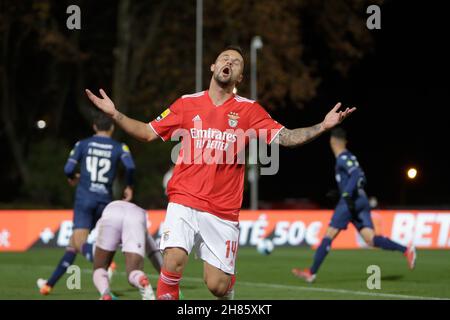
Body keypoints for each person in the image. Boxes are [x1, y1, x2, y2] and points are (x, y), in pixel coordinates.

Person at [85, 45, 355, 299]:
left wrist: (321, 126)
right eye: (225, 58)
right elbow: (146, 132)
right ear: (213, 66)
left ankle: (227, 284)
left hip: (223, 209)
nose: (230, 62)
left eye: (236, 62)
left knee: (217, 286)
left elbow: (286, 137)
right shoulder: (186, 104)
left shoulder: (250, 110)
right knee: (173, 262)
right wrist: (115, 114)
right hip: (184, 199)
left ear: (240, 76)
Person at [292, 128, 416, 283]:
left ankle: (312, 273)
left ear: (332, 141)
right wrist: (341, 191)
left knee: (329, 234)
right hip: (360, 199)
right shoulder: (349, 157)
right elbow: (361, 177)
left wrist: (346, 194)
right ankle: (406, 250)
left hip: (350, 201)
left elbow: (356, 174)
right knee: (370, 239)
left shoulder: (343, 157)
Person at [37, 113, 136, 295]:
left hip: (85, 198)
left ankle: (99, 260)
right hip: (105, 201)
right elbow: (130, 167)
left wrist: (72, 177)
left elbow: (68, 169)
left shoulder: (82, 144)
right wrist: (129, 186)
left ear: (94, 127)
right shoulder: (119, 147)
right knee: (73, 244)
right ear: (112, 128)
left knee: (78, 240)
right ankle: (48, 285)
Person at [93, 200, 155, 300]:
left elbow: (92, 243)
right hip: (136, 214)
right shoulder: (136, 206)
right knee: (134, 271)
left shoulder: (103, 207)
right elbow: (153, 250)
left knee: (99, 268)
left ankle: (105, 294)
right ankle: (140, 279)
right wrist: (168, 279)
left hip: (112, 210)